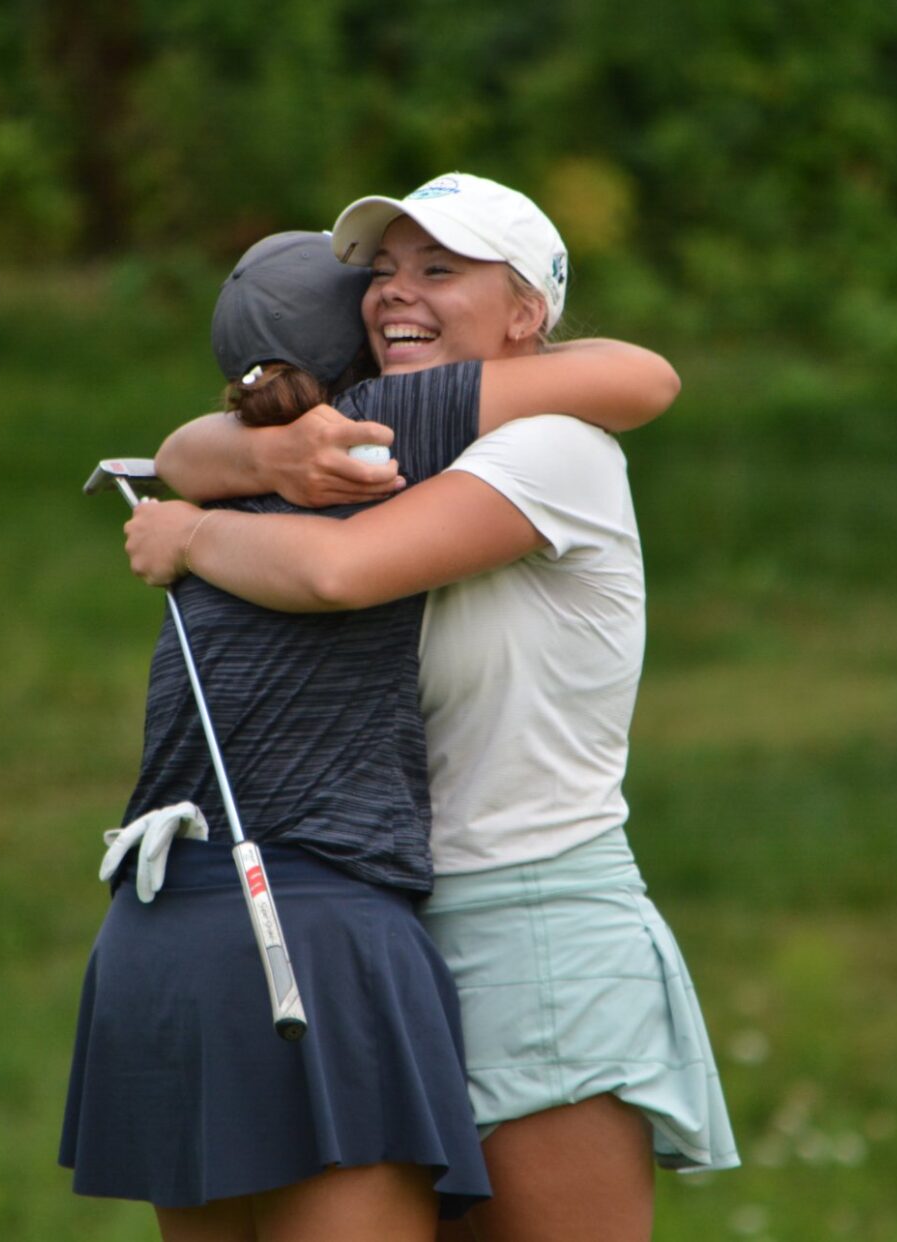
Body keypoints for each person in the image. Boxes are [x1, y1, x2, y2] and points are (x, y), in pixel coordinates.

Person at [130, 174, 740, 1241]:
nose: (395, 293)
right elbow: (187, 445)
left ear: (526, 316)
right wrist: (255, 452)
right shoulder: (395, 442)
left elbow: (340, 570)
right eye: (384, 269)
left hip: (528, 921)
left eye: (439, 269)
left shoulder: (553, 446)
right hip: (393, 927)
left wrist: (190, 535)